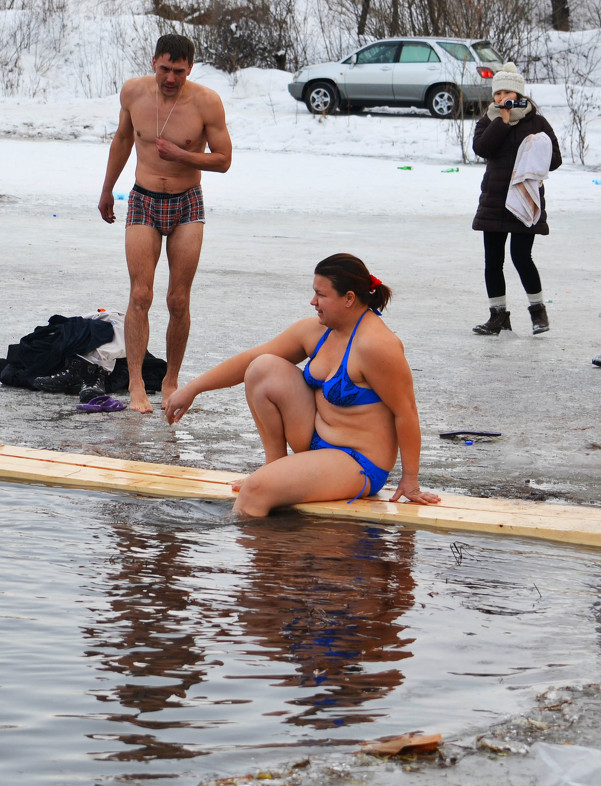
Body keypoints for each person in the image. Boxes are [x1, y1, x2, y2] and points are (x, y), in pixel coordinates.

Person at [165, 253, 440, 517]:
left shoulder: (377, 345)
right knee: (263, 366)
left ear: (349, 298)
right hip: (315, 437)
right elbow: (251, 358)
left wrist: (410, 480)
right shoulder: (316, 331)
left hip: (358, 461)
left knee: (255, 491)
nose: (313, 301)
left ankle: (261, 554)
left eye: (321, 295)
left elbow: (407, 411)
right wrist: (193, 388)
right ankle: (274, 465)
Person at [98, 34, 232, 413]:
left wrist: (182, 155)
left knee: (178, 299)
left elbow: (223, 160)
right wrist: (108, 190)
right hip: (143, 198)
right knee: (140, 295)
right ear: (153, 61)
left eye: (178, 71)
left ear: (190, 68)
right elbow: (123, 140)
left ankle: (171, 379)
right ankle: (137, 383)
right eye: (164, 69)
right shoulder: (134, 93)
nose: (170, 78)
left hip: (187, 202)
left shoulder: (206, 102)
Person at [471, 62, 561, 336]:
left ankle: (538, 312)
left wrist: (538, 149)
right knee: (493, 261)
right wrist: (503, 122)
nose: (501, 99)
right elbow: (481, 148)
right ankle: (498, 316)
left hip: (524, 201)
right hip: (495, 200)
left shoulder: (537, 122)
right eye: (497, 94)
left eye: (506, 93)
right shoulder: (489, 119)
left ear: (519, 94)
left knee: (521, 256)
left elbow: (555, 160)